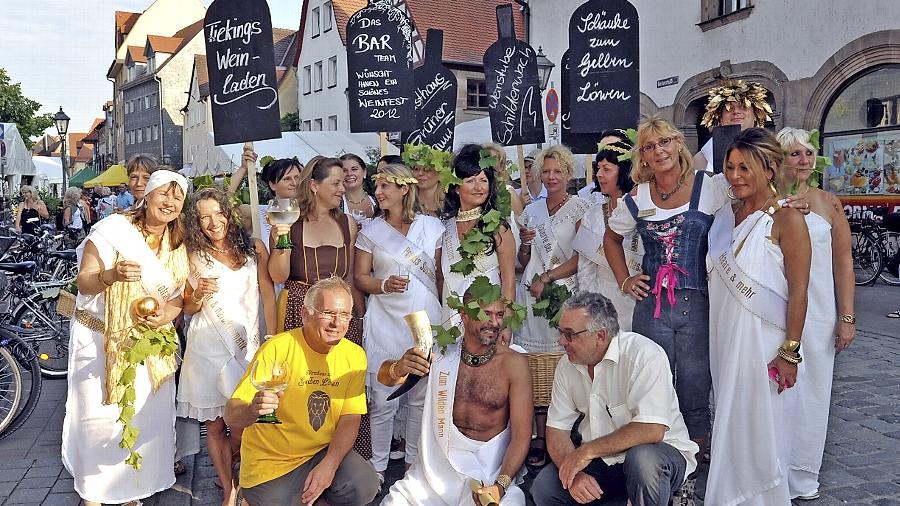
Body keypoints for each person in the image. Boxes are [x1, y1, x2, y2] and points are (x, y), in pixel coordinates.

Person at [62, 171, 190, 505]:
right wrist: (110, 275)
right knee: (101, 417)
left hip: (150, 344)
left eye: (177, 197)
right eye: (164, 194)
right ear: (146, 195)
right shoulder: (113, 230)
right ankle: (94, 492)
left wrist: (164, 316)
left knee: (143, 418)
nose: (170, 202)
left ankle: (129, 490)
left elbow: (176, 299)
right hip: (101, 339)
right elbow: (84, 282)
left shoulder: (178, 244)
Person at [604, 118, 731, 451]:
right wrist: (625, 280)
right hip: (652, 307)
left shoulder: (710, 186)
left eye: (663, 143)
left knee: (695, 384)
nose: (658, 151)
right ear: (642, 157)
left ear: (678, 144)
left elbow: (749, 202)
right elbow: (612, 238)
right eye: (649, 147)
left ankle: (694, 461)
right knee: (652, 383)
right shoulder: (637, 196)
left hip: (699, 304)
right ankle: (657, 456)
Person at [706, 128, 811, 505]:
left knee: (760, 425)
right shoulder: (726, 218)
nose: (735, 176)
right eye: (730, 167)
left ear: (769, 169)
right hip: (725, 336)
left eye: (745, 168)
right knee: (730, 419)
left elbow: (800, 290)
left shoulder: (787, 219)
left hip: (763, 341)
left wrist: (790, 351)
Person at [224, 277, 380, 506]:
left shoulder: (354, 355)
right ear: (304, 313)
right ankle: (245, 498)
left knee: (364, 485)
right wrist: (252, 409)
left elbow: (350, 419)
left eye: (345, 314)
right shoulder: (277, 348)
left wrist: (330, 465)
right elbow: (231, 413)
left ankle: (315, 494)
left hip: (320, 451)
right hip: (271, 461)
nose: (337, 323)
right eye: (328, 312)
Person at [531, 292, 699, 505]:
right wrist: (574, 474)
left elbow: (652, 429)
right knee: (546, 487)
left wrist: (586, 451)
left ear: (600, 336)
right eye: (561, 332)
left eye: (570, 334)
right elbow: (556, 431)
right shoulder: (567, 365)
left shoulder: (644, 355)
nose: (561, 341)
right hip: (601, 461)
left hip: (658, 457)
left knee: (643, 461)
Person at [379, 282, 533, 505]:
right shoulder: (441, 354)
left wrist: (500, 486)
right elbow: (385, 378)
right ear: (464, 314)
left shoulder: (514, 363)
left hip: (487, 474)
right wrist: (400, 367)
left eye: (499, 315)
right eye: (486, 314)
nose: (494, 322)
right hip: (433, 473)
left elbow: (521, 435)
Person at [177, 188, 277, 506]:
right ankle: (227, 488)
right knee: (217, 427)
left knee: (246, 424)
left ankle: (245, 476)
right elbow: (187, 309)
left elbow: (267, 295)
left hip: (247, 347)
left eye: (218, 213)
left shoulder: (253, 248)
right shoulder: (192, 254)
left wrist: (272, 339)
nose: (212, 221)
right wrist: (197, 295)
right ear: (197, 222)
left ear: (228, 214)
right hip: (207, 348)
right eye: (204, 216)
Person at [267, 155, 371, 460]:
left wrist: (359, 315)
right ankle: (298, 456)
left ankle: (344, 458)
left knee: (343, 387)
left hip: (341, 314)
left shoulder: (347, 222)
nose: (343, 187)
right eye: (335, 183)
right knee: (302, 384)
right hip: (302, 309)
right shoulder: (288, 221)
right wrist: (281, 238)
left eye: (342, 182)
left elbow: (350, 275)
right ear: (314, 185)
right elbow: (278, 275)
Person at [777, 127, 855, 500]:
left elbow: (843, 261)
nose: (803, 159)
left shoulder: (828, 202)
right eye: (794, 153)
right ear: (779, 159)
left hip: (821, 311)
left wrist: (847, 316)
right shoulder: (766, 200)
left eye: (808, 152)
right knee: (776, 390)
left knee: (812, 394)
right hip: (775, 309)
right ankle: (771, 467)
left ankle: (803, 474)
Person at [353, 163, 444, 482]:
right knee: (382, 396)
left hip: (423, 321)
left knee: (419, 395)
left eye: (384, 187)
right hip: (385, 321)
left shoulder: (433, 227)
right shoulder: (371, 231)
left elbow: (442, 277)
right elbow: (360, 278)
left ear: (405, 189)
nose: (377, 192)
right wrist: (382, 285)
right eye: (376, 187)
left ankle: (412, 464)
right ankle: (377, 466)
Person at [518, 145, 592, 352]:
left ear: (569, 174)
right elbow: (524, 261)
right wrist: (524, 244)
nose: (551, 177)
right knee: (533, 359)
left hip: (564, 291)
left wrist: (546, 278)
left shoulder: (580, 208)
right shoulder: (531, 210)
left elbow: (582, 257)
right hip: (531, 292)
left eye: (558, 171)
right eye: (546, 171)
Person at [440, 144, 517, 330]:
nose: (479, 187)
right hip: (450, 318)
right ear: (456, 187)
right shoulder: (444, 228)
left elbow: (509, 281)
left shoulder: (499, 228)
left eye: (483, 180)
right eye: (471, 180)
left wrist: (505, 325)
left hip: (488, 322)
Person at [573, 140, 642, 332]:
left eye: (606, 169)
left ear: (623, 171)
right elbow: (585, 270)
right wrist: (590, 307)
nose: (599, 174)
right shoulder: (591, 215)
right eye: (598, 168)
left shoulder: (645, 211)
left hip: (638, 303)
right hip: (603, 307)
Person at [694, 79, 772, 173]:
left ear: (756, 115)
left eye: (743, 106)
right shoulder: (703, 158)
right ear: (720, 118)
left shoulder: (770, 148)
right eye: (729, 108)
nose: (736, 112)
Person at [228, 147, 303, 243]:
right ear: (272, 185)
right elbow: (222, 202)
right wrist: (243, 169)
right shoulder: (256, 214)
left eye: (297, 177)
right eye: (287, 179)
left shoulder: (313, 212)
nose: (294, 183)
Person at [578, 129, 630, 203]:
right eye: (602, 149)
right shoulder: (586, 196)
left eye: (615, 147)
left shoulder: (638, 196)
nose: (606, 152)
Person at [340, 153, 376, 220]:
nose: (349, 174)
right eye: (344, 170)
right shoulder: (335, 205)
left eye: (354, 169)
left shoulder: (378, 200)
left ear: (364, 172)